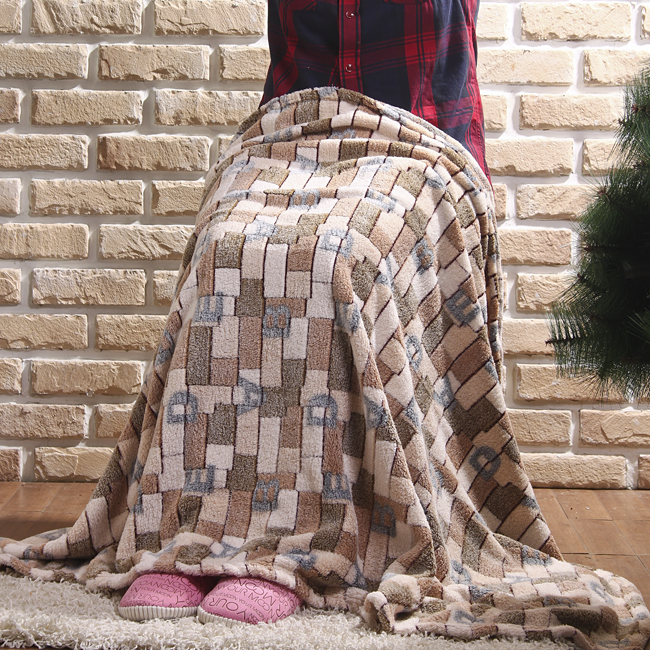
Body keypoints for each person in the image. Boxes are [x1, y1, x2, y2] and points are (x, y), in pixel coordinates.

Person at [117, 0, 489, 624]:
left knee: (335, 258)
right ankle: (192, 532)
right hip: (290, 141)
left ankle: (302, 543)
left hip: (419, 148)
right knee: (225, 248)